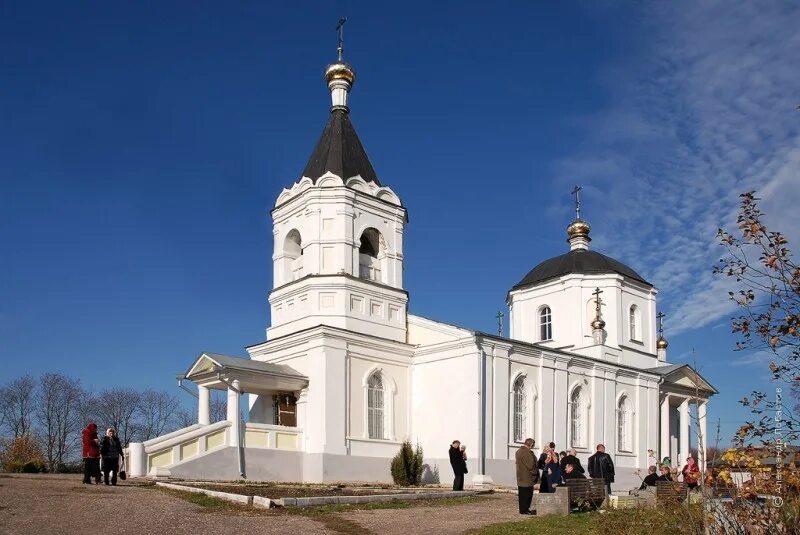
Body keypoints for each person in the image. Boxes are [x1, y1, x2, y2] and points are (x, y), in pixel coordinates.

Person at [515, 438, 538, 515]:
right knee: (527, 495)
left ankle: (522, 510)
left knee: (522, 495)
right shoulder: (527, 453)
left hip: (520, 476)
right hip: (527, 477)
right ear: (530, 444)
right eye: (533, 444)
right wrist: (535, 473)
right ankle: (525, 510)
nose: (533, 446)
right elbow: (531, 465)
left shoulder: (518, 451)